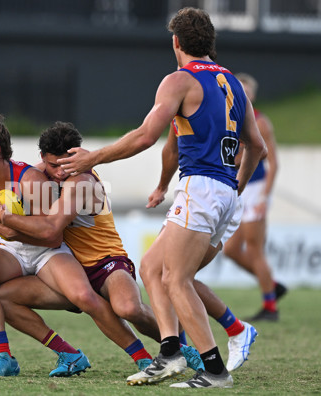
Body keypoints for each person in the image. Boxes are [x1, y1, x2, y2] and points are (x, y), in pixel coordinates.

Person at [58, 7, 266, 388]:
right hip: (223, 193)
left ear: (176, 43)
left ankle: (214, 370)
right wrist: (236, 185)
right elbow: (258, 146)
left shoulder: (179, 80)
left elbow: (144, 136)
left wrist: (93, 157)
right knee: (153, 268)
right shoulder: (233, 83)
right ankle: (170, 352)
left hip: (201, 187)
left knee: (176, 279)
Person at [0, 114, 150, 378]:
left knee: (84, 297)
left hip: (48, 251)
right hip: (16, 249)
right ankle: (10, 357)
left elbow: (51, 236)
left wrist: (7, 224)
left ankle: (144, 358)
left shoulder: (30, 179)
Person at [0, 122, 205, 375]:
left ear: (78, 155)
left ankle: (183, 348)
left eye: (65, 164)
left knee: (128, 308)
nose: (58, 172)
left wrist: (5, 218)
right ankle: (68, 353)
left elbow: (50, 228)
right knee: (3, 297)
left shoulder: (82, 181)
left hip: (104, 261)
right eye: (53, 165)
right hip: (66, 264)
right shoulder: (35, 174)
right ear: (43, 157)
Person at [148, 128, 258, 373]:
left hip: (208, 194)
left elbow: (257, 147)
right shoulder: (188, 102)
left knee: (175, 278)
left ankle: (230, 335)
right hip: (196, 193)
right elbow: (171, 148)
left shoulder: (222, 99)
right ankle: (182, 350)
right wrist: (162, 187)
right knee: (165, 274)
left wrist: (235, 184)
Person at [223, 73, 285, 321]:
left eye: (247, 92)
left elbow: (273, 163)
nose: (244, 95)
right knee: (231, 250)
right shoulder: (228, 119)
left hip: (255, 188)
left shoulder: (260, 122)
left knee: (255, 249)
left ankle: (270, 306)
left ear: (253, 96)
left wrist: (264, 197)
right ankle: (272, 285)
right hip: (238, 188)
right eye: (240, 90)